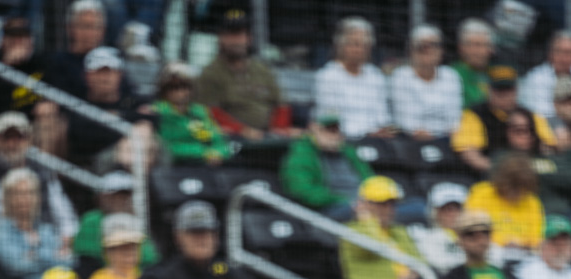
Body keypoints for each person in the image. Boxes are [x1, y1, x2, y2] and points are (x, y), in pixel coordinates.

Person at [0, 112, 78, 246]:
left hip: (49, 240)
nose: (12, 144)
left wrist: (66, 237)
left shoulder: (43, 171)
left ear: (29, 140)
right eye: (6, 138)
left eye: (19, 138)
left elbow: (64, 213)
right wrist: (30, 238)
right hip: (5, 241)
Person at [150, 201, 261, 279]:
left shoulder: (232, 273)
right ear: (178, 236)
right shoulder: (164, 276)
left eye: (206, 232)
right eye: (194, 233)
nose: (201, 239)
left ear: (216, 236)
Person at [338, 176, 425, 279]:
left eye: (391, 203)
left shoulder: (399, 231)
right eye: (381, 204)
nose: (388, 209)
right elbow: (373, 246)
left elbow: (420, 261)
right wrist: (366, 219)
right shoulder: (353, 231)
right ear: (363, 205)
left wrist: (412, 275)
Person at [194, 8, 290, 140]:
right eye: (230, 35)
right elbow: (208, 112)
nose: (235, 41)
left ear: (249, 38)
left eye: (239, 34)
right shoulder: (210, 73)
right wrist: (242, 131)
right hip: (233, 140)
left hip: (269, 137)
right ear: (221, 38)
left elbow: (282, 105)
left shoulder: (262, 69)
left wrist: (278, 130)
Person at [451, 66, 556, 177]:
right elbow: (470, 155)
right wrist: (504, 171)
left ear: (516, 90)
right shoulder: (473, 115)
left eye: (508, 89)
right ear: (488, 89)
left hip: (532, 172)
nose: (503, 95)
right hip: (493, 174)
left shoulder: (530, 115)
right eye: (498, 90)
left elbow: (548, 147)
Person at [0, 168, 72, 279]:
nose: (25, 199)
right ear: (7, 198)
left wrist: (34, 255)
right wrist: (53, 256)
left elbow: (69, 262)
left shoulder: (46, 230)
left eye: (30, 193)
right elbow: (16, 266)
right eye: (18, 194)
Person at [66, 46, 151, 170]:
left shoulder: (132, 101)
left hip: (130, 156)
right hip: (91, 164)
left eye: (110, 72)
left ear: (120, 75)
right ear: (87, 75)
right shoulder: (77, 101)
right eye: (98, 72)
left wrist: (116, 117)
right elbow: (81, 134)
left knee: (144, 129)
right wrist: (127, 120)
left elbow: (153, 118)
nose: (104, 78)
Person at [279, 113, 372, 222]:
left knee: (394, 209)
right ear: (314, 130)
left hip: (364, 202)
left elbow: (370, 179)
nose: (335, 135)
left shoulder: (349, 151)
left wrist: (373, 200)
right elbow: (302, 190)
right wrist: (346, 201)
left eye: (336, 130)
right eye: (329, 130)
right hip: (329, 208)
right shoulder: (302, 154)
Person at [313, 18, 392, 141]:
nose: (359, 50)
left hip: (377, 142)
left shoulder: (376, 76)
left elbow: (383, 118)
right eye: (355, 44)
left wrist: (384, 130)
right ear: (340, 45)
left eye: (364, 45)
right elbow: (330, 121)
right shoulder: (327, 76)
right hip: (342, 142)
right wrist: (367, 132)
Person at [72, 170, 160, 276]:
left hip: (136, 276)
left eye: (125, 195)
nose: (120, 200)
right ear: (102, 196)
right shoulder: (92, 219)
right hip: (99, 276)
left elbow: (149, 258)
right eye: (115, 195)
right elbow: (86, 255)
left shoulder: (136, 221)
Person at [389, 25, 463, 140]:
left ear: (442, 51)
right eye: (421, 46)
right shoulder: (400, 76)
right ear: (411, 50)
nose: (427, 50)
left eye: (433, 45)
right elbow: (403, 120)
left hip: (448, 139)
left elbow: (455, 118)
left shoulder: (451, 76)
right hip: (411, 140)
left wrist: (450, 133)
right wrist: (422, 134)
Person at [152, 61, 233, 165]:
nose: (180, 92)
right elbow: (167, 147)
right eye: (174, 87)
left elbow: (218, 140)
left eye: (185, 86)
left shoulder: (200, 111)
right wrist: (205, 153)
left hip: (208, 167)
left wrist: (219, 153)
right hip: (176, 168)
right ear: (164, 90)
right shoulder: (158, 112)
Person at [464, 152, 545, 256]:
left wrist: (520, 244)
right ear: (503, 181)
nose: (518, 194)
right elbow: (472, 228)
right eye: (514, 188)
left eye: (523, 189)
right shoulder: (481, 193)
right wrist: (502, 242)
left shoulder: (532, 202)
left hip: (522, 255)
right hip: (487, 253)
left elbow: (537, 239)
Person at [0, 14, 49, 123]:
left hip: (40, 125)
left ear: (30, 40)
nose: (18, 41)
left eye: (23, 36)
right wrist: (7, 66)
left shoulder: (43, 63)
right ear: (3, 41)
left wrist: (50, 105)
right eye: (13, 36)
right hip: (11, 129)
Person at [519, 32, 571, 121]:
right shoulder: (536, 77)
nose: (565, 58)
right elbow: (536, 112)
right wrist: (566, 112)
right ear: (550, 54)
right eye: (560, 52)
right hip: (547, 127)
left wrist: (566, 111)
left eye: (570, 53)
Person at [407, 182, 471, 275]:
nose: (453, 214)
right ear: (434, 212)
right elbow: (439, 264)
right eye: (447, 209)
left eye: (457, 208)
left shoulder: (476, 236)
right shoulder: (422, 235)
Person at [451, 18, 495, 109]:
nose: (482, 51)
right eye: (477, 45)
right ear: (461, 47)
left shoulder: (496, 72)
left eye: (486, 45)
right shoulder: (452, 75)